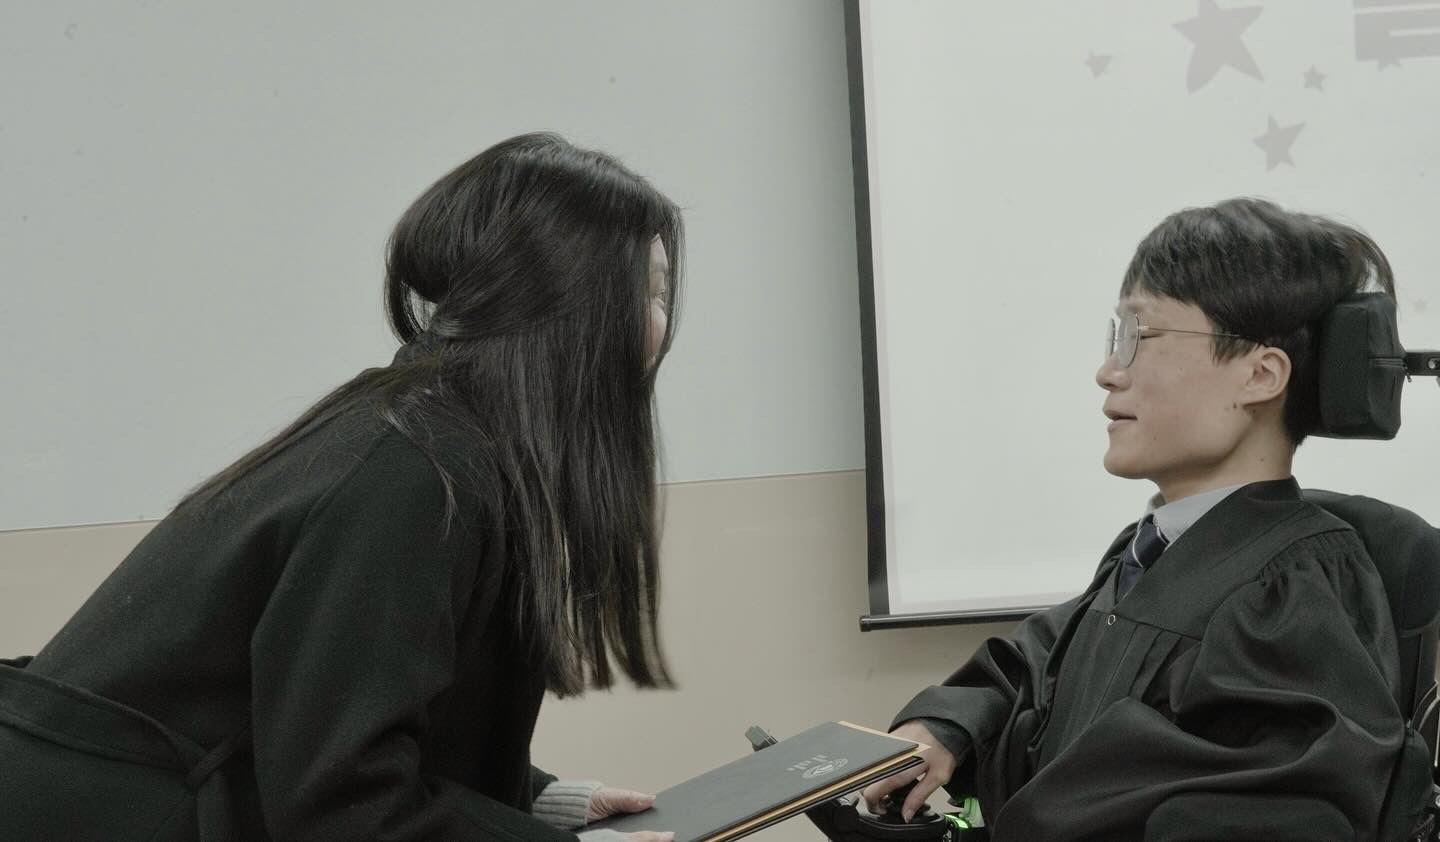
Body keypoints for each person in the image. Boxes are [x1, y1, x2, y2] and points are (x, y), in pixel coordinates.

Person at [0, 132, 681, 841]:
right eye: (651, 291)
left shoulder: (431, 432)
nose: (662, 326)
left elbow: (347, 727)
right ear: (565, 298)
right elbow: (341, 803)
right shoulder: (418, 471)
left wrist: (541, 801)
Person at [862, 198, 1430, 841]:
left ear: (1260, 375)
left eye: (1142, 337)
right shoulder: (1152, 550)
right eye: (1116, 338)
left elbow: (1274, 812)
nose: (1108, 372)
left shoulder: (1290, 592)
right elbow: (1041, 668)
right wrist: (944, 728)